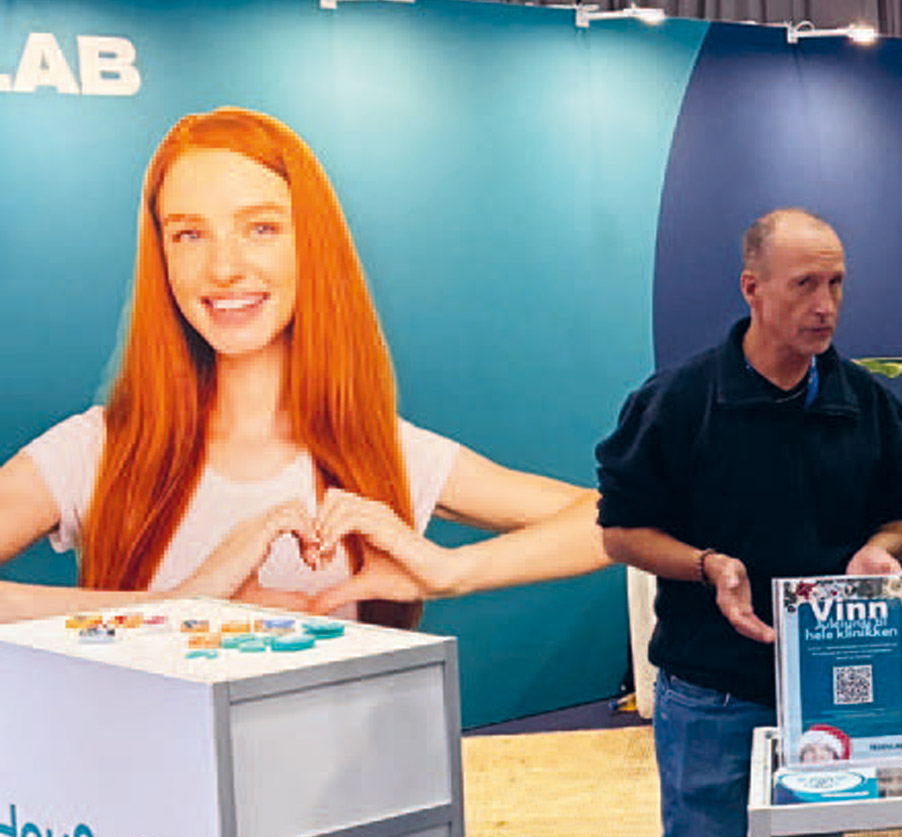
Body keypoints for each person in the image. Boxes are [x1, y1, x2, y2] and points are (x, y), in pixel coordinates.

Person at [595, 208, 902, 837]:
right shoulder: (680, 401)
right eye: (803, 284)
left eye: (837, 283)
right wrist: (708, 564)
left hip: (828, 699)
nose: (825, 304)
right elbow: (620, 531)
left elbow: (897, 513)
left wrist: (879, 551)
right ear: (752, 289)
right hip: (711, 689)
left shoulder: (865, 403)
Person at [0, 108, 608, 624]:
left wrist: (451, 571)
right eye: (188, 235)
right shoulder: (95, 450)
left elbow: (616, 520)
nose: (224, 268)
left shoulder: (386, 453)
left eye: (260, 228)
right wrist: (181, 605)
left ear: (311, 243)